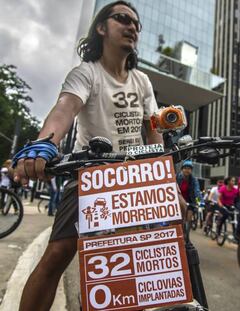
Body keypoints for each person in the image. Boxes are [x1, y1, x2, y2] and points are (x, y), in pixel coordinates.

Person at [12, 2, 164, 310]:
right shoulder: (87, 73)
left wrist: (163, 181)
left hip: (133, 180)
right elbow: (64, 108)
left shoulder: (143, 81)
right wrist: (45, 144)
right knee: (57, 255)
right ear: (101, 27)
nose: (132, 26)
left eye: (136, 23)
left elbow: (152, 132)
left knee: (124, 268)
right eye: (123, 18)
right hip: (90, 175)